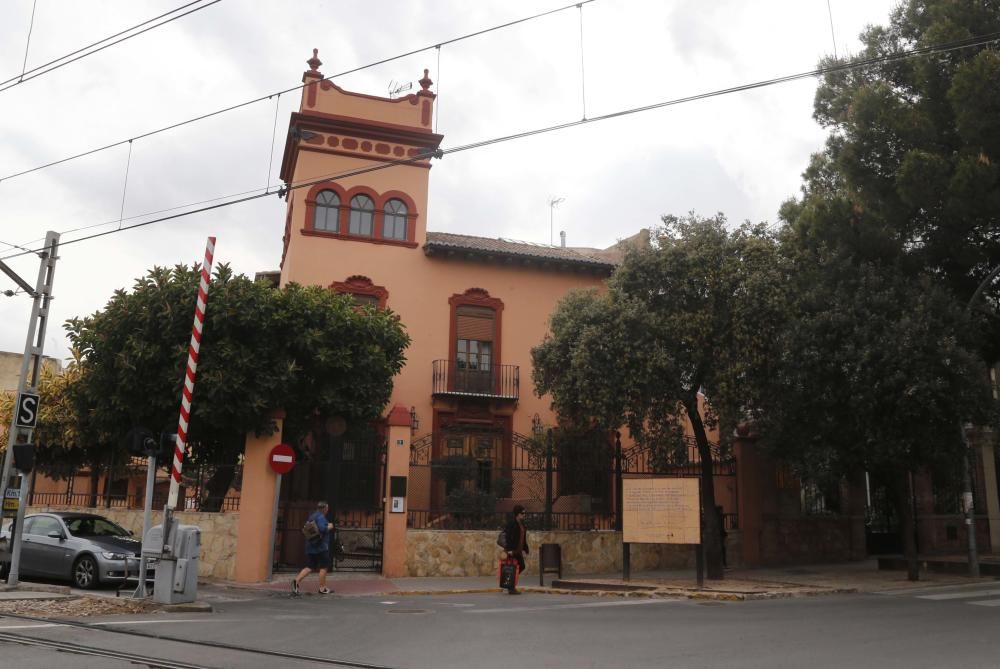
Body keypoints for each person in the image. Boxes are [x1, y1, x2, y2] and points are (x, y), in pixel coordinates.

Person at [292, 501, 334, 595]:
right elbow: (323, 529)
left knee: (310, 566)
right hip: (321, 547)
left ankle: (296, 580)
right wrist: (329, 527)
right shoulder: (321, 517)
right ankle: (322, 588)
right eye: (327, 508)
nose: (328, 510)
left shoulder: (312, 516)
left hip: (311, 546)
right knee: (324, 567)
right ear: (325, 509)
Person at [503, 504, 529, 594]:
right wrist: (509, 550)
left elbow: (523, 537)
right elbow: (508, 537)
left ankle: (510, 585)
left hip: (518, 550)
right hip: (512, 550)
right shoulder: (512, 523)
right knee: (512, 568)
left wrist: (526, 548)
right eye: (523, 513)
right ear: (518, 514)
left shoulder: (522, 524)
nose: (524, 514)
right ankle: (511, 588)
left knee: (521, 566)